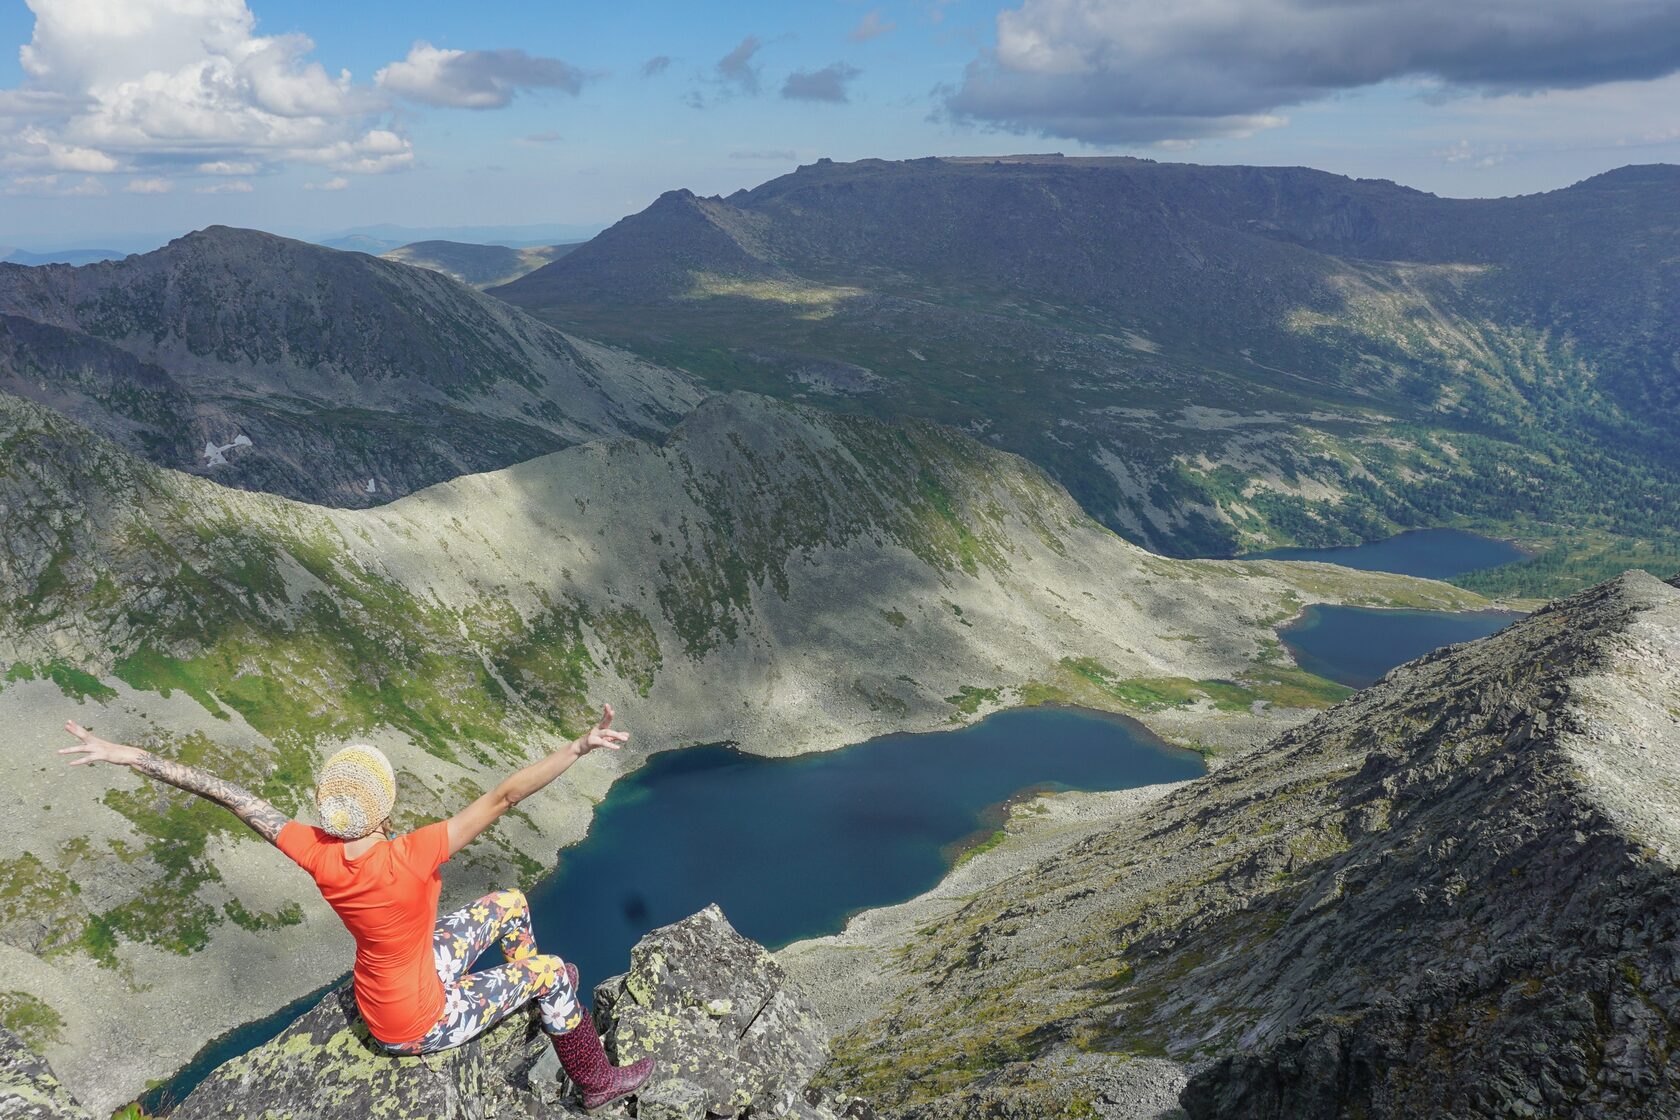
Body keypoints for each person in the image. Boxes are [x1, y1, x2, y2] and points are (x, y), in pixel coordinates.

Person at [59, 704, 654, 1110]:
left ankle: (530, 1004)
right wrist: (578, 746)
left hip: (386, 987)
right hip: (416, 1021)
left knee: (511, 902)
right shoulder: (411, 855)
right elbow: (505, 795)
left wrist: (123, 753)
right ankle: (594, 1080)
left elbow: (228, 795)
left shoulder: (316, 851)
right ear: (386, 807)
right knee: (552, 973)